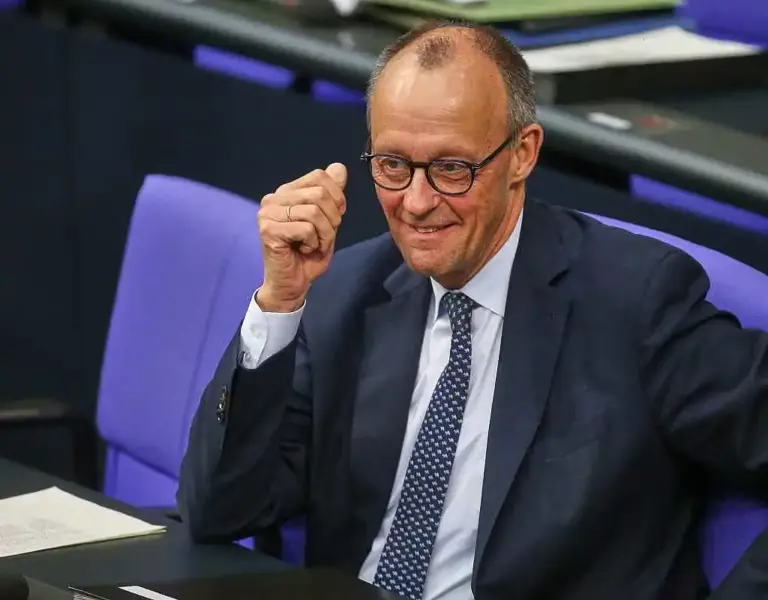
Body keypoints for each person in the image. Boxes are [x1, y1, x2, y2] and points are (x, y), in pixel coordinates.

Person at [177, 20, 768, 600]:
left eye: (451, 169)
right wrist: (280, 302)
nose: (416, 202)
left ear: (522, 154)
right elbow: (220, 510)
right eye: (393, 165)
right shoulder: (347, 294)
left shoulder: (636, 301)